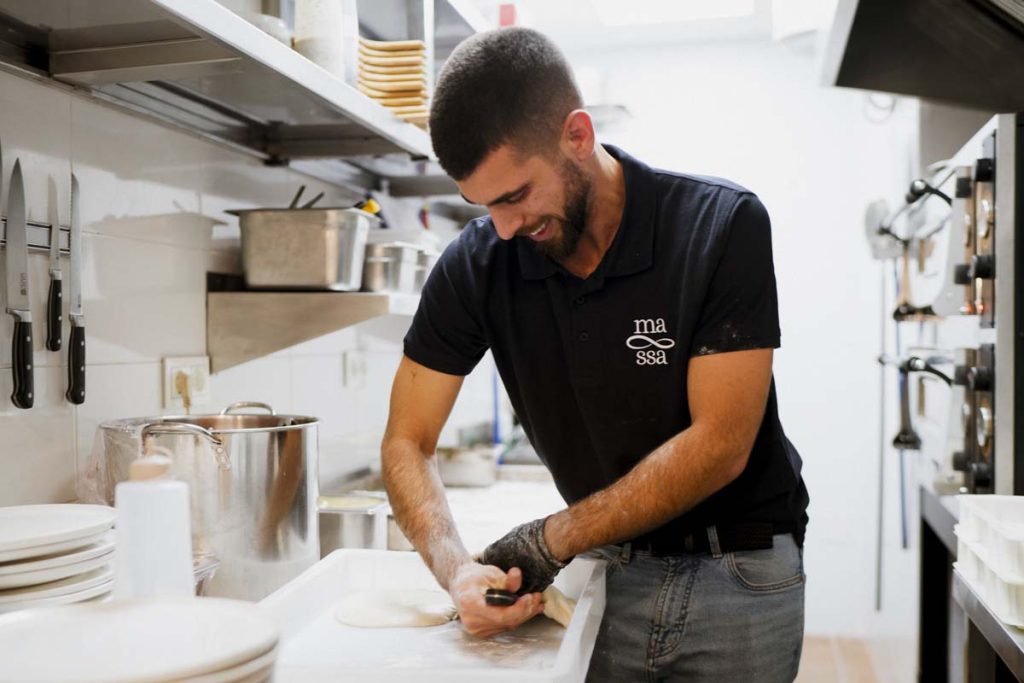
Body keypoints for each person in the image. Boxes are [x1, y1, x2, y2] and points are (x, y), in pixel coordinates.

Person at [381, 26, 809, 682]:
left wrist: (551, 538)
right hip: (607, 574)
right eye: (483, 205)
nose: (502, 226)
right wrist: (455, 569)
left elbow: (722, 444)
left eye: (516, 195)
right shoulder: (480, 263)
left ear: (576, 136)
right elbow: (407, 440)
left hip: (741, 574)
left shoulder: (719, 226)